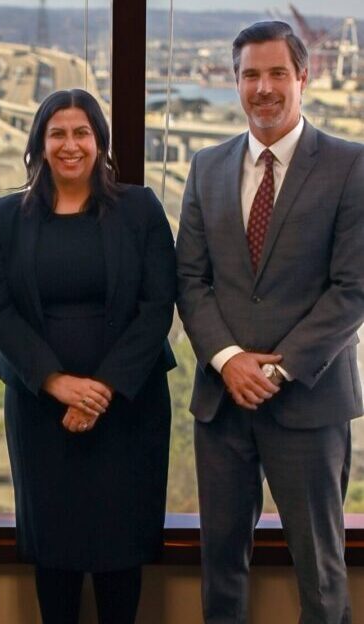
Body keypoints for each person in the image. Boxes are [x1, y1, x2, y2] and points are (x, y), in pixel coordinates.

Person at [176, 21, 364, 624]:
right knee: (221, 568)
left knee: (321, 572)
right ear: (234, 82)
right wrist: (229, 360)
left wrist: (276, 371)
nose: (263, 87)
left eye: (277, 73)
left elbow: (352, 288)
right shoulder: (207, 166)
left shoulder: (350, 166)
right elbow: (191, 280)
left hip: (309, 402)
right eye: (250, 75)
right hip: (222, 403)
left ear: (303, 77)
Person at [0, 89, 176, 624]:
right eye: (58, 133)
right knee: (55, 559)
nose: (71, 145)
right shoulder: (6, 216)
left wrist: (102, 389)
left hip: (128, 411)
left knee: (121, 557)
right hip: (42, 411)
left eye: (82, 132)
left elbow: (158, 305)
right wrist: (58, 384)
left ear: (101, 142)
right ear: (40, 145)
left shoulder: (140, 209)